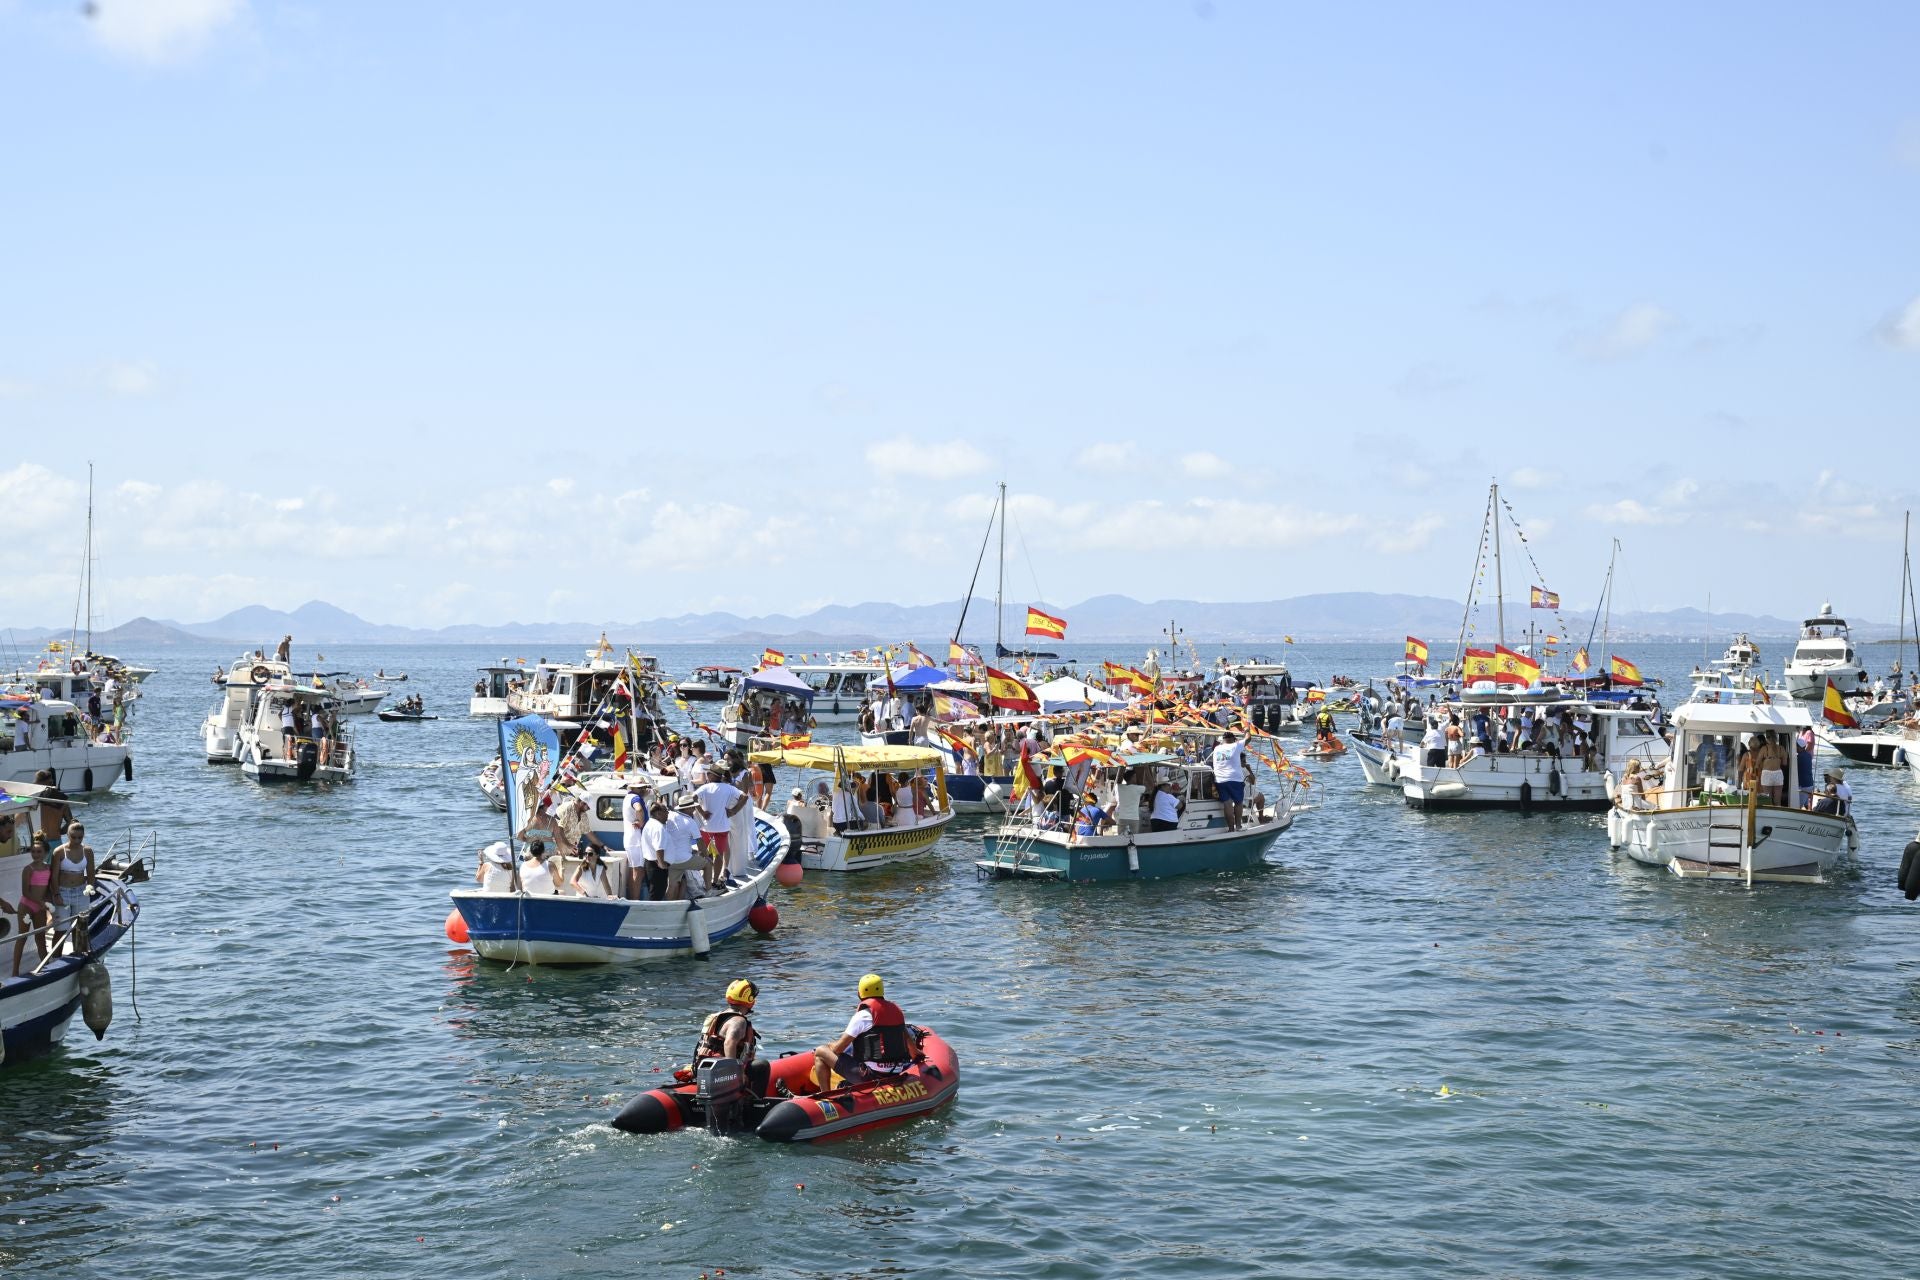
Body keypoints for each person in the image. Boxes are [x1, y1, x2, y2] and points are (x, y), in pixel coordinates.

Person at [812, 973, 920, 1092]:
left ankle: (826, 1096)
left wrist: (830, 1045)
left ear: (859, 994)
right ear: (882, 992)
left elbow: (838, 1050)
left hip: (871, 1076)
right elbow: (913, 1050)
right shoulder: (897, 1012)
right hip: (895, 1072)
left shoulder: (862, 1016)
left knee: (820, 1052)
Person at [695, 979, 770, 1097]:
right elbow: (729, 1043)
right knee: (763, 1066)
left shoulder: (718, 1016)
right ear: (749, 999)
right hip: (721, 1072)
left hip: (705, 1067)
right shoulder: (739, 1021)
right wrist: (736, 1074)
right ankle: (756, 1104)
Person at [695, 771, 750, 887]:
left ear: (711, 775)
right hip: (722, 827)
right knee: (719, 854)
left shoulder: (704, 788)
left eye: (707, 774)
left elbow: (692, 798)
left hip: (706, 827)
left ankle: (705, 880)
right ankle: (715, 881)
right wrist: (734, 811)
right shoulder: (729, 788)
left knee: (705, 854)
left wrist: (702, 812)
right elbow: (745, 797)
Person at [51, 822, 96, 954]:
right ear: (67, 835)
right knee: (61, 929)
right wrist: (56, 894)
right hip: (63, 892)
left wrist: (89, 886)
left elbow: (91, 873)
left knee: (81, 926)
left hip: (81, 892)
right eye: (73, 837)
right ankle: (55, 957)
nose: (76, 840)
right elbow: (54, 876)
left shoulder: (87, 851)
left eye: (79, 837)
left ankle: (79, 953)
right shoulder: (59, 851)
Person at [13, 834, 54, 975]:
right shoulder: (28, 869)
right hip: (26, 906)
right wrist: (41, 902)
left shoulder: (49, 868)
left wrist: (48, 905)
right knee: (22, 937)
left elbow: (48, 890)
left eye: (39, 852)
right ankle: (15, 971)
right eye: (33, 851)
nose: (35, 854)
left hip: (40, 907)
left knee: (40, 938)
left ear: (46, 853)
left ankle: (46, 967)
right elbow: (26, 892)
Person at [664, 794, 705, 897]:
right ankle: (709, 890)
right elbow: (700, 843)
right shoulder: (691, 822)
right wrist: (705, 855)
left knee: (672, 884)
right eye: (693, 808)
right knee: (707, 864)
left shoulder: (669, 816)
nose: (694, 810)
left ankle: (670, 905)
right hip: (684, 859)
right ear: (688, 808)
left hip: (669, 858)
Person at [1210, 731, 1248, 832]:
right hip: (1234, 779)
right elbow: (1248, 738)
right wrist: (1247, 730)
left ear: (1223, 739)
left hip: (1219, 779)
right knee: (1238, 803)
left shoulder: (1217, 748)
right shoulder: (1235, 745)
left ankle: (1231, 829)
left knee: (1227, 804)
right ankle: (1238, 826)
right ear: (1233, 739)